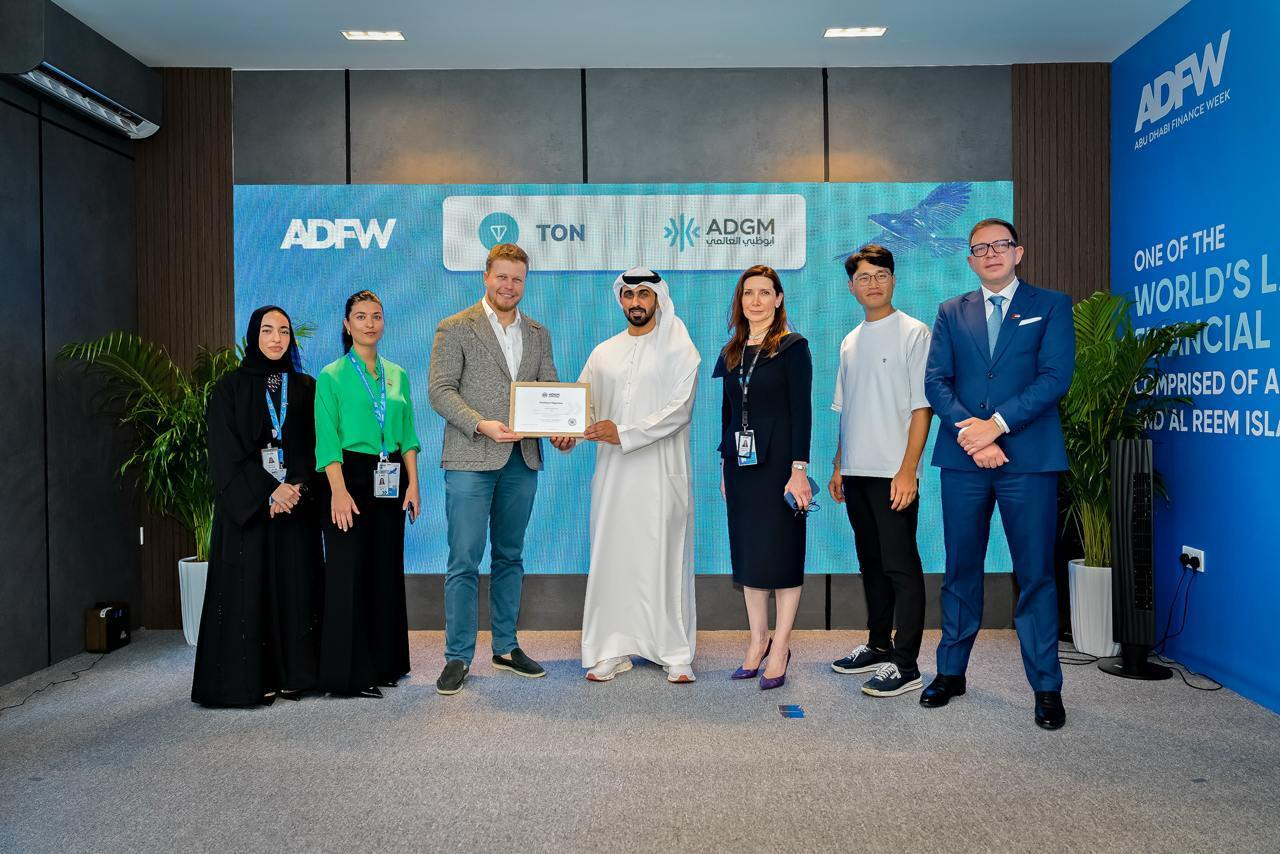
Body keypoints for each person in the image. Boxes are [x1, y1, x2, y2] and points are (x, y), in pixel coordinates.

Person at [921, 218, 1075, 730]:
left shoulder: (1050, 305)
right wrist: (974, 433)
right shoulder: (951, 311)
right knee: (960, 568)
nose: (990, 254)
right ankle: (950, 673)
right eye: (979, 248)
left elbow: (1055, 377)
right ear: (969, 260)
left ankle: (1047, 687)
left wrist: (998, 426)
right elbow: (936, 381)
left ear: (1018, 252)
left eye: (1000, 245)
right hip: (964, 459)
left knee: (1035, 574)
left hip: (1029, 459)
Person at [427, 243, 565, 696]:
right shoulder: (454, 327)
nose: (509, 286)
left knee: (510, 556)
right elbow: (441, 391)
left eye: (517, 279)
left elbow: (549, 390)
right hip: (470, 457)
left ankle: (505, 647)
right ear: (486, 276)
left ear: (525, 282)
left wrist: (562, 430)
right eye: (502, 277)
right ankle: (457, 656)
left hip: (521, 460)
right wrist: (480, 424)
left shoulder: (539, 333)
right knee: (464, 560)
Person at [193, 305, 324, 706]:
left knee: (295, 589)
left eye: (284, 331)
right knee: (247, 592)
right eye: (268, 330)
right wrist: (269, 491)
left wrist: (294, 487)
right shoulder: (228, 388)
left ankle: (296, 675)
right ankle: (249, 680)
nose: (276, 338)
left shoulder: (305, 386)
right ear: (253, 335)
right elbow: (224, 451)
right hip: (249, 512)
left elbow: (315, 444)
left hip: (294, 508)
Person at [575, 267, 701, 684]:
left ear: (658, 299)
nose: (635, 302)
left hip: (662, 476)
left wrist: (624, 433)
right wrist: (567, 432)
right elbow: (583, 406)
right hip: (613, 478)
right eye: (628, 295)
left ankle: (674, 652)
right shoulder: (603, 352)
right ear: (620, 300)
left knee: (664, 558)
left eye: (644, 294)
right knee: (613, 559)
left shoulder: (680, 349)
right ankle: (611, 649)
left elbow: (680, 411)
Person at [827, 245, 932, 698]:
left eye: (880, 275)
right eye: (863, 277)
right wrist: (839, 465)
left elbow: (922, 408)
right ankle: (877, 645)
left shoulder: (914, 332)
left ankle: (906, 665)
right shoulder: (850, 341)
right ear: (852, 287)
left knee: (900, 566)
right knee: (871, 563)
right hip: (856, 472)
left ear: (893, 280)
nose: (872, 283)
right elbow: (846, 409)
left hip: (893, 473)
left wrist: (908, 471)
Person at [314, 290, 421, 698]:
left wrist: (414, 484)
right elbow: (327, 441)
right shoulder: (332, 375)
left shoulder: (397, 374)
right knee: (348, 574)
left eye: (376, 316)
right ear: (347, 324)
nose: (370, 323)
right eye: (361, 317)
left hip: (390, 477)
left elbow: (408, 434)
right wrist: (338, 492)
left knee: (384, 570)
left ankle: (385, 664)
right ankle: (349, 676)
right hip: (348, 478)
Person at [713, 265, 813, 690]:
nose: (755, 300)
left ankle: (782, 645)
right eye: (748, 293)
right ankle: (758, 641)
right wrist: (724, 465)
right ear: (740, 300)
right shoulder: (732, 351)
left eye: (764, 292)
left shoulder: (793, 347)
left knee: (784, 553)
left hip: (782, 469)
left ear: (778, 298)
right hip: (742, 467)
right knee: (750, 554)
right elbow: (728, 413)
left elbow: (802, 411)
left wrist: (799, 471)